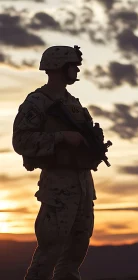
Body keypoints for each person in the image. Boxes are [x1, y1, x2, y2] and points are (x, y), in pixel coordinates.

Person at [12, 45, 99, 280]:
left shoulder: (73, 104)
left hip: (82, 183)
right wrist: (61, 137)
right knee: (50, 251)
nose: (77, 70)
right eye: (73, 65)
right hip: (58, 185)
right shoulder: (37, 102)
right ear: (60, 67)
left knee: (76, 251)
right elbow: (21, 141)